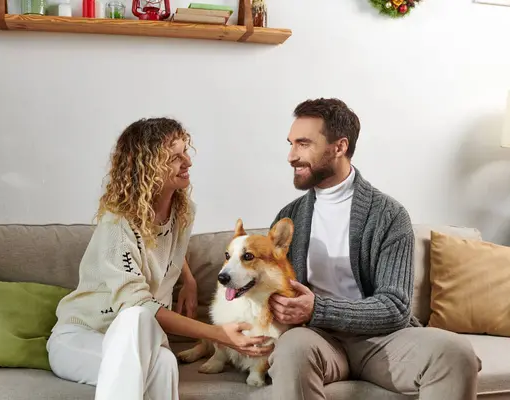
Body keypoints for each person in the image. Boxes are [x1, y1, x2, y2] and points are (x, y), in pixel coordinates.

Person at [266, 98, 481, 399]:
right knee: (291, 349)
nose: (291, 156)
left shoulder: (388, 215)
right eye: (291, 144)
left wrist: (317, 308)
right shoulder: (289, 219)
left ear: (339, 147)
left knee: (455, 351)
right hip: (316, 340)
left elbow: (395, 307)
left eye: (303, 144)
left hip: (383, 341)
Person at [46, 117, 271, 400]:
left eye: (186, 151)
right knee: (139, 320)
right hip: (84, 337)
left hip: (147, 340)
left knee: (164, 361)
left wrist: (188, 278)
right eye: (174, 157)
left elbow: (163, 248)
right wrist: (219, 335)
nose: (187, 161)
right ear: (147, 167)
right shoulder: (118, 224)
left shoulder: (183, 210)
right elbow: (137, 303)